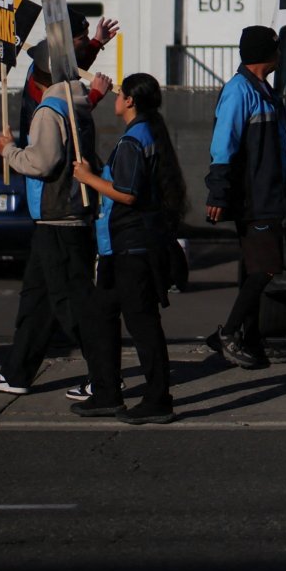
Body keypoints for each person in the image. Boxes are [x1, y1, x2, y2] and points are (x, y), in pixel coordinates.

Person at [0, 37, 103, 395]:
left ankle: (104, 375)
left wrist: (9, 151)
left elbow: (43, 162)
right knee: (38, 301)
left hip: (59, 218)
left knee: (70, 304)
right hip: (61, 217)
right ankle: (17, 373)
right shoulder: (76, 104)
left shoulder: (50, 109)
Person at [68, 70, 185, 423]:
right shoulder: (146, 134)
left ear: (130, 101)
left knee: (142, 324)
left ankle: (157, 398)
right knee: (102, 315)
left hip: (131, 247)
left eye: (120, 93)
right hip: (120, 246)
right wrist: (98, 172)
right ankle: (106, 392)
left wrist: (88, 179)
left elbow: (129, 194)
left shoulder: (135, 139)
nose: (116, 98)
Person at [203, 23, 286, 369]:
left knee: (256, 268)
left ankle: (252, 338)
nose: (281, 54)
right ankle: (228, 334)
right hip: (255, 198)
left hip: (270, 194)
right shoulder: (239, 91)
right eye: (277, 48)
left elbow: (277, 134)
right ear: (265, 53)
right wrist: (219, 192)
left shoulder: (264, 90)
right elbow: (222, 146)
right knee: (266, 269)